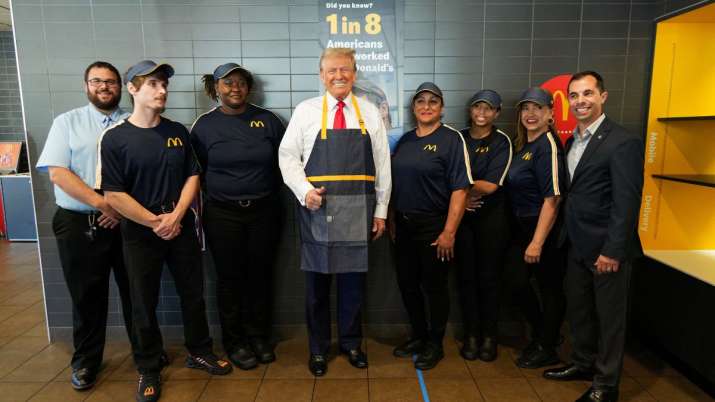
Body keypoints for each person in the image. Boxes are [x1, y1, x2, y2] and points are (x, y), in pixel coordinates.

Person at [98, 60, 231, 402]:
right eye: (154, 84)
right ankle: (147, 366)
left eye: (164, 85)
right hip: (141, 234)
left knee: (193, 294)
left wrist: (176, 216)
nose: (162, 91)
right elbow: (114, 193)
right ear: (133, 89)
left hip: (180, 226)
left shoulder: (176, 132)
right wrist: (155, 221)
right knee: (143, 301)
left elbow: (192, 176)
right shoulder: (115, 139)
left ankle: (199, 351)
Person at [278, 48, 391, 377]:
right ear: (321, 75)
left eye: (344, 69)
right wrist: (304, 192)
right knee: (316, 288)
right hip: (318, 209)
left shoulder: (369, 112)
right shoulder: (306, 111)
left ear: (354, 74)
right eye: (331, 70)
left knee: (353, 285)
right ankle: (317, 350)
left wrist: (381, 210)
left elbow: (383, 165)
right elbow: (287, 157)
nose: (338, 76)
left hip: (359, 209)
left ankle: (351, 344)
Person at [35, 61, 138, 391]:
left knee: (135, 292)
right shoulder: (67, 123)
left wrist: (120, 210)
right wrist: (102, 204)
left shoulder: (134, 123)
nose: (104, 87)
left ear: (121, 87)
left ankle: (145, 354)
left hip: (127, 223)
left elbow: (143, 174)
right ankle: (86, 361)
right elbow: (58, 173)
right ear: (86, 86)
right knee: (87, 297)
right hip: (80, 223)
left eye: (110, 82)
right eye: (97, 81)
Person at [543, 71, 644, 402]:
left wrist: (613, 251)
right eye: (574, 95)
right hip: (575, 244)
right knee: (580, 310)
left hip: (606, 249)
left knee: (610, 320)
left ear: (603, 96)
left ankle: (606, 384)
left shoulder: (622, 141)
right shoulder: (574, 141)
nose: (580, 101)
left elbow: (626, 203)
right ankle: (583, 363)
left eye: (587, 93)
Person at [191, 63, 284, 369]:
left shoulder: (268, 121)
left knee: (261, 276)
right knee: (229, 279)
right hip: (223, 214)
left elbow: (285, 164)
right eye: (228, 83)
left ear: (249, 87)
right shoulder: (203, 127)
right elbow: (197, 173)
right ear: (215, 88)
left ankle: (259, 337)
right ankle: (235, 342)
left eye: (241, 83)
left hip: (264, 212)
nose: (235, 88)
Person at [390, 82, 472, 370]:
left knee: (434, 287)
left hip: (434, 227)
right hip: (403, 226)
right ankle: (419, 335)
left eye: (433, 102)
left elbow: (460, 190)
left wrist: (449, 232)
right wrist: (391, 221)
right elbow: (394, 185)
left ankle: (435, 344)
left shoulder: (451, 140)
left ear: (441, 107)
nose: (426, 106)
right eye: (421, 101)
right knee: (408, 284)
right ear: (414, 108)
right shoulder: (406, 141)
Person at [503, 87, 568, 370]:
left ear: (550, 114)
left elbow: (553, 198)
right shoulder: (526, 146)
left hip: (544, 230)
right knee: (515, 282)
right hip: (522, 228)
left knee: (550, 288)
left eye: (537, 108)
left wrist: (538, 242)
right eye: (525, 108)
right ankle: (545, 335)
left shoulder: (549, 145)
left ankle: (547, 347)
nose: (530, 114)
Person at [455, 89, 513, 362]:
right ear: (470, 110)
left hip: (492, 221)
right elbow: (444, 176)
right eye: (477, 107)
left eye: (488, 108)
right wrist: (462, 198)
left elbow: (490, 186)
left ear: (497, 113)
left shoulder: (502, 142)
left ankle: (489, 337)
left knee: (489, 280)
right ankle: (471, 335)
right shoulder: (459, 139)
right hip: (462, 220)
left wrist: (461, 189)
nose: (482, 113)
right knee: (466, 279)